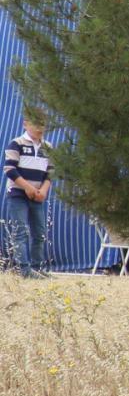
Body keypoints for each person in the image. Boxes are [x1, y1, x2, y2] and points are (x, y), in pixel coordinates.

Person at [4, 108, 52, 276]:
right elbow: (10, 169)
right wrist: (28, 187)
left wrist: (43, 190)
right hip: (18, 194)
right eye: (35, 123)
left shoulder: (48, 147)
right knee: (21, 231)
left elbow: (50, 173)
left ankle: (38, 268)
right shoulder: (16, 143)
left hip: (37, 196)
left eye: (42, 124)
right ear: (25, 124)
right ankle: (24, 269)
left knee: (39, 233)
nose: (39, 128)